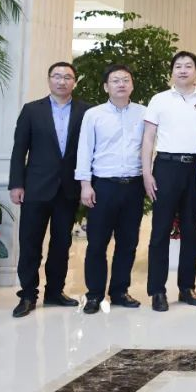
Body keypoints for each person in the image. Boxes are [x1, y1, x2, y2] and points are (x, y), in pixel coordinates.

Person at [8, 62, 90, 318]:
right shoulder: (32, 110)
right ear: (49, 79)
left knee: (61, 244)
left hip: (68, 189)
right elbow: (19, 149)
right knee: (30, 242)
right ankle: (27, 295)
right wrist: (16, 184)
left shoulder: (86, 111)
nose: (62, 81)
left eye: (67, 77)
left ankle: (54, 291)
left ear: (74, 81)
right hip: (35, 188)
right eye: (57, 76)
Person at [142, 51, 196, 312]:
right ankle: (157, 290)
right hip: (166, 167)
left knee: (191, 230)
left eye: (188, 66)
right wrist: (147, 173)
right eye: (178, 66)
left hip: (195, 169)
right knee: (160, 230)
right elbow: (148, 138)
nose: (183, 70)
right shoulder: (159, 99)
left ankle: (186, 287)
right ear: (172, 71)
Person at [74, 64, 147, 315]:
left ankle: (119, 292)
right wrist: (85, 185)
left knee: (128, 242)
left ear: (132, 85)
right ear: (106, 86)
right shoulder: (94, 115)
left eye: (125, 80)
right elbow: (84, 149)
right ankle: (94, 294)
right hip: (103, 185)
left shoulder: (144, 113)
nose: (121, 84)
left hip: (133, 186)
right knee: (97, 243)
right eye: (115, 80)